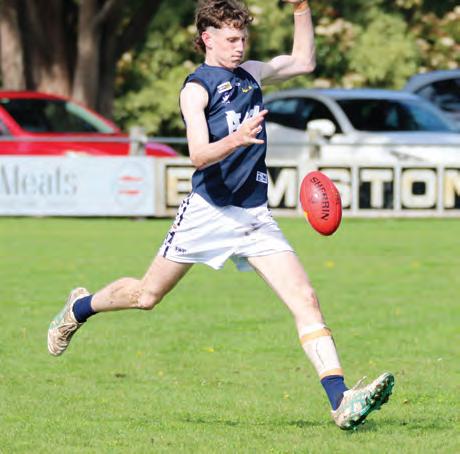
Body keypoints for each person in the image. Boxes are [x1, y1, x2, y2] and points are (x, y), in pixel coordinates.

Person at [48, 0, 394, 430]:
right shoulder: (196, 89)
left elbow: (304, 61)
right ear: (206, 39)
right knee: (146, 296)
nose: (239, 46)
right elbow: (197, 155)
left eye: (243, 38)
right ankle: (79, 308)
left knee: (306, 300)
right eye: (231, 39)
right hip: (208, 212)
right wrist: (236, 139)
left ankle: (341, 402)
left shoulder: (252, 73)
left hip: (254, 215)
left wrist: (301, 8)